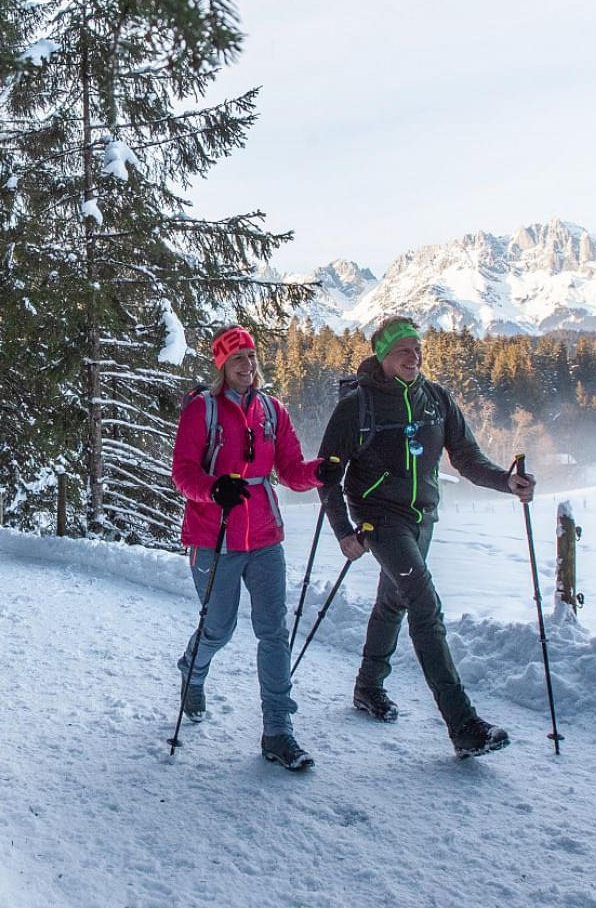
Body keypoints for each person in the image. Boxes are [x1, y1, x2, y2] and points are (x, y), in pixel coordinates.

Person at [315, 316, 535, 758]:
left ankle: (367, 687)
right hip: (379, 518)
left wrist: (505, 482)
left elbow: (466, 457)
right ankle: (463, 724)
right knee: (423, 601)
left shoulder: (436, 399)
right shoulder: (356, 406)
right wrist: (344, 532)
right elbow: (327, 476)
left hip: (423, 516)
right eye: (404, 350)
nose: (414, 356)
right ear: (383, 356)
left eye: (417, 349)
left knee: (394, 599)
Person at [170, 324, 336, 771]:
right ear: (223, 366)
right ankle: (193, 670)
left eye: (252, 357)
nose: (249, 365)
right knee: (219, 628)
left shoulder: (272, 410)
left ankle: (278, 730)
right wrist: (214, 488)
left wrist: (320, 471)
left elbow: (290, 470)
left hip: (264, 535)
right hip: (214, 536)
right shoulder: (201, 410)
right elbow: (183, 474)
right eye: (239, 359)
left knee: (273, 630)